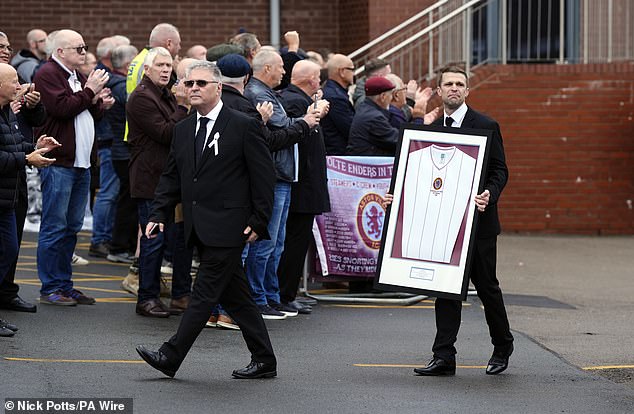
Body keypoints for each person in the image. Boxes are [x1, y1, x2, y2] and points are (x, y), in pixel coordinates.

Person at [136, 60, 277, 380]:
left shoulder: (243, 124)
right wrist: (158, 213)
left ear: (218, 87)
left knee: (204, 292)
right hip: (198, 226)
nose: (194, 88)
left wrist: (259, 220)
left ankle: (170, 356)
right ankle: (265, 359)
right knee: (237, 297)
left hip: (231, 225)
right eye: (189, 84)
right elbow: (172, 177)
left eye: (201, 83)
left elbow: (263, 177)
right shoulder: (184, 129)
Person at [412, 66, 514, 376]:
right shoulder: (429, 130)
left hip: (479, 224)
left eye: (460, 84)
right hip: (444, 225)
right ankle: (444, 356)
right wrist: (398, 197)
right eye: (449, 84)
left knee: (486, 288)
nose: (455, 88)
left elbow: (500, 171)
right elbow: (420, 173)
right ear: (439, 92)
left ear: (467, 91)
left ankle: (502, 345)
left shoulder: (486, 125)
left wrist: (489, 194)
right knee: (445, 289)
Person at [33, 29, 113, 306]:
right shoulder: (47, 74)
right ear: (59, 52)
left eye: (84, 47)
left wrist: (99, 101)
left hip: (81, 162)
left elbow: (87, 111)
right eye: (78, 48)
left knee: (72, 227)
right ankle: (50, 287)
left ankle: (65, 284)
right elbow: (62, 109)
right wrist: (90, 91)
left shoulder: (76, 76)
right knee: (54, 226)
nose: (83, 52)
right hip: (60, 162)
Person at [126, 47, 190, 318]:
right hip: (150, 179)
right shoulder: (142, 97)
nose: (166, 70)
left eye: (168, 65)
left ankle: (179, 295)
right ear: (147, 70)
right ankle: (147, 298)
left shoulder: (164, 94)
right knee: (153, 239)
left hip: (169, 179)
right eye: (160, 65)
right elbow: (166, 133)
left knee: (176, 240)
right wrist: (184, 106)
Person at [0, 63, 60, 335]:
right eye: (14, 82)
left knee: (9, 251)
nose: (19, 87)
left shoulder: (8, 113)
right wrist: (26, 158)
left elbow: (13, 144)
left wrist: (36, 146)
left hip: (7, 199)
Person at [277, 60, 330, 314]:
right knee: (294, 241)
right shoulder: (296, 102)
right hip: (302, 184)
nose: (320, 82)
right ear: (311, 80)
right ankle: (284, 293)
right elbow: (298, 138)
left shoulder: (298, 99)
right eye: (318, 77)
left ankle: (289, 291)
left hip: (306, 182)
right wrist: (315, 111)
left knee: (296, 241)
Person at [0, 32, 47, 313]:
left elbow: (37, 120)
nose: (6, 51)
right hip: (13, 162)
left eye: (7, 47)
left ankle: (6, 291)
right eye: (0, 47)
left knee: (11, 241)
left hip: (14, 169)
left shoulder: (13, 82)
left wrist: (32, 105)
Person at [320, 54, 355, 155]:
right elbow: (350, 129)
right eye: (352, 69)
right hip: (338, 155)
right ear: (342, 72)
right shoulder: (336, 97)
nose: (354, 73)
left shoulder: (333, 92)